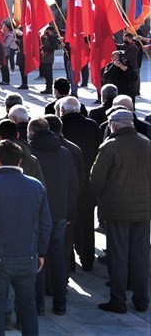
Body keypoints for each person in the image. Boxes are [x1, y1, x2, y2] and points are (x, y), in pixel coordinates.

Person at [0, 140, 51, 336]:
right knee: (28, 306)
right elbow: (46, 223)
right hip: (28, 255)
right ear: (20, 161)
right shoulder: (36, 186)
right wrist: (41, 252)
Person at [89, 108, 151, 314]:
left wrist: (103, 199)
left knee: (118, 256)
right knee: (140, 255)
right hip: (143, 210)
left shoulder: (110, 146)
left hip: (117, 210)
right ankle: (142, 300)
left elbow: (96, 179)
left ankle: (118, 300)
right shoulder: (146, 143)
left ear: (113, 125)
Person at [26, 116, 78, 316]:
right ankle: (60, 303)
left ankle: (38, 304)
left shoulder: (29, 154)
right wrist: (69, 209)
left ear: (31, 132)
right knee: (57, 257)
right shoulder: (64, 152)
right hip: (58, 212)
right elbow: (73, 184)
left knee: (37, 257)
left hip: (35, 214)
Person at [56, 95, 102, 272]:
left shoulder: (60, 127)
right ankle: (88, 259)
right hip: (88, 183)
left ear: (62, 110)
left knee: (69, 225)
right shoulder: (92, 125)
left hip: (66, 185)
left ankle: (70, 264)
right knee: (87, 223)